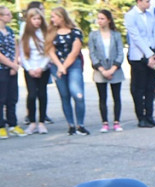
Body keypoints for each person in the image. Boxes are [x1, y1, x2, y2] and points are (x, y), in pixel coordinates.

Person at [125, 0, 155, 128]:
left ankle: (150, 116)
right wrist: (149, 55)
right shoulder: (130, 16)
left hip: (152, 54)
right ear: (139, 1)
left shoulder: (150, 15)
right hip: (139, 57)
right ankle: (141, 117)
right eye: (147, 1)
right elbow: (136, 37)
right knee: (139, 88)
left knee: (150, 87)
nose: (149, 3)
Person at [46, 7, 88, 136]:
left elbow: (74, 52)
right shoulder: (52, 32)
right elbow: (50, 51)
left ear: (62, 17)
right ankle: (71, 125)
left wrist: (64, 67)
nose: (52, 19)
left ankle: (80, 124)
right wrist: (59, 66)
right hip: (57, 65)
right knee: (65, 96)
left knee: (78, 95)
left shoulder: (75, 32)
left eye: (54, 16)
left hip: (73, 65)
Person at [87, 9, 125, 133]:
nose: (100, 21)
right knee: (102, 97)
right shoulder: (93, 35)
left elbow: (120, 53)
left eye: (102, 18)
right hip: (100, 70)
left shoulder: (116, 35)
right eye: (98, 18)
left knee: (116, 96)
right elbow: (92, 53)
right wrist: (102, 70)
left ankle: (116, 122)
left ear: (108, 20)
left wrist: (114, 68)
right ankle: (104, 122)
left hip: (115, 69)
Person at [20, 8, 49, 135]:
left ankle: (42, 122)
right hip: (30, 68)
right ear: (29, 20)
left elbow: (48, 52)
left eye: (39, 19)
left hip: (43, 68)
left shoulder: (45, 33)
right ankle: (32, 122)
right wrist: (29, 68)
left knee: (42, 94)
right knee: (32, 95)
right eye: (34, 19)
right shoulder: (25, 34)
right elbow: (22, 53)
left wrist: (41, 67)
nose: (37, 21)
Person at [0, 6, 23, 139]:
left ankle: (13, 124)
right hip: (1, 69)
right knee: (1, 98)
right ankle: (1, 126)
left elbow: (15, 46)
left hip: (11, 68)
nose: (10, 17)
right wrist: (11, 64)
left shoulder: (9, 30)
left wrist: (15, 63)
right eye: (7, 15)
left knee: (12, 97)